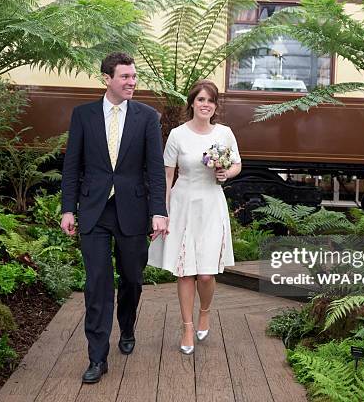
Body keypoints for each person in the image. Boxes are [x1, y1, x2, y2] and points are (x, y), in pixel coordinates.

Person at [60, 52, 168, 383]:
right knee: (97, 284)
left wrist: (159, 211)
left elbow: (154, 169)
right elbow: (72, 165)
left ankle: (128, 323)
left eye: (134, 77)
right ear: (107, 78)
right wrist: (68, 208)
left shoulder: (148, 117)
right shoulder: (83, 115)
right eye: (125, 77)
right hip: (94, 211)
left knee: (132, 278)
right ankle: (97, 357)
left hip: (133, 211)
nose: (132, 82)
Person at [148, 80, 241, 355]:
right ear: (192, 103)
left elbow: (236, 164)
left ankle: (205, 311)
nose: (205, 105)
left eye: (210, 101)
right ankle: (187, 326)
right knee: (185, 271)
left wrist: (227, 174)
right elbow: (167, 175)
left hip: (211, 204)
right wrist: (161, 211)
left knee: (205, 274)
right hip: (183, 203)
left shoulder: (224, 133)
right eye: (200, 99)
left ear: (215, 106)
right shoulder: (177, 134)